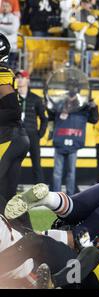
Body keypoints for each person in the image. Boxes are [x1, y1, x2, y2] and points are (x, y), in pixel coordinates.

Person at [0, 34, 31, 231]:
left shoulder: (1, 72)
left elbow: (13, 110)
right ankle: (33, 240)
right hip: (14, 137)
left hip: (9, 137)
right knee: (9, 197)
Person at [48, 82, 99, 196]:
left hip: (71, 143)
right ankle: (57, 197)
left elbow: (94, 119)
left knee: (69, 172)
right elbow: (51, 115)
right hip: (61, 142)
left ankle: (70, 196)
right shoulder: (60, 103)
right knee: (59, 172)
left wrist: (94, 107)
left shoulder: (83, 105)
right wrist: (51, 106)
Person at [16, 70, 47, 184]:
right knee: (13, 164)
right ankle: (10, 192)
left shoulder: (36, 99)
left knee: (37, 165)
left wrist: (39, 134)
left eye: (22, 77)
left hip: (32, 135)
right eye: (17, 77)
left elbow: (44, 119)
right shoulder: (12, 98)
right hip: (16, 135)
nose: (19, 79)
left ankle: (40, 192)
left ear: (27, 80)